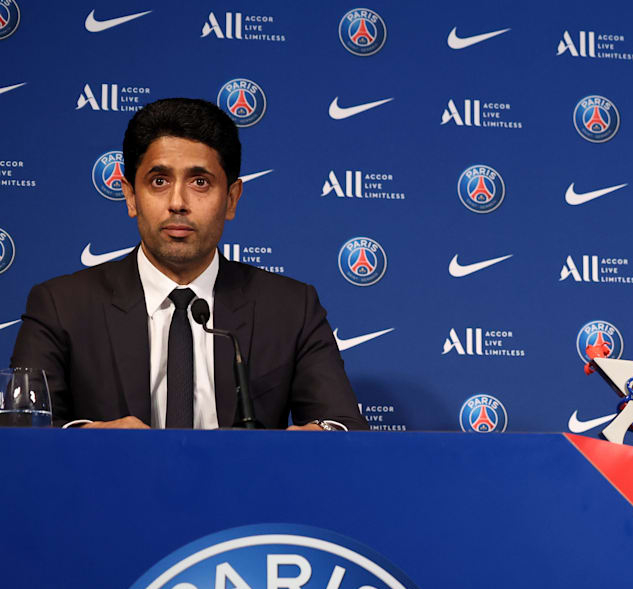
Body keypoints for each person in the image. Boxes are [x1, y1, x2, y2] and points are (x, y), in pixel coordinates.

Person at [11, 98, 367, 430]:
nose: (178, 202)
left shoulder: (291, 308)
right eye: (159, 181)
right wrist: (89, 439)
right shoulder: (61, 306)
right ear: (131, 196)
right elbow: (20, 434)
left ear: (231, 199)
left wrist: (320, 434)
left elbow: (343, 426)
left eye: (200, 182)